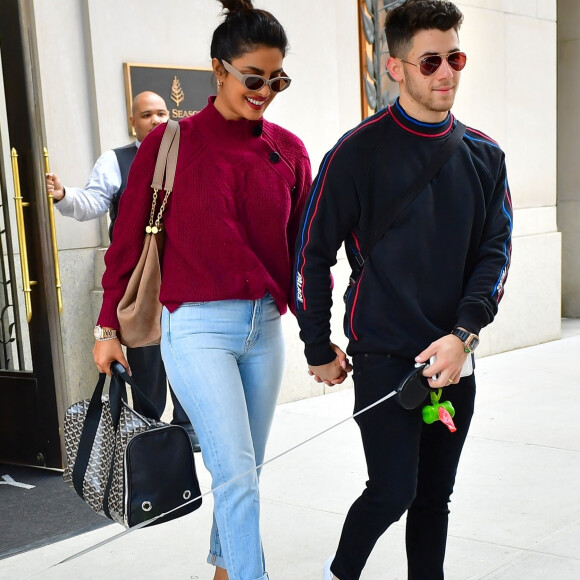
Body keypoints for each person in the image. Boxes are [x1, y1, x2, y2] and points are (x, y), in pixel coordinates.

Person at [293, 1, 513, 579]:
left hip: (452, 353)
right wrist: (318, 344)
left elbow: (496, 253)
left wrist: (462, 336)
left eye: (455, 57)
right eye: (430, 61)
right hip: (384, 355)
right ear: (397, 68)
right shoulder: (355, 152)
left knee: (434, 500)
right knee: (393, 491)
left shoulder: (485, 156)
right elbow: (311, 253)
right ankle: (339, 574)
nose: (446, 73)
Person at [93, 1, 312, 579]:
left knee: (247, 472)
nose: (265, 91)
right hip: (195, 330)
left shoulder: (288, 151)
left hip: (265, 329)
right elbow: (125, 244)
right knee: (236, 473)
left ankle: (224, 571)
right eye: (253, 78)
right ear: (218, 70)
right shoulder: (170, 144)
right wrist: (106, 327)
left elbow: (302, 251)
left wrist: (320, 333)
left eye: (277, 79)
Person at [45, 91, 199, 450]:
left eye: (162, 113)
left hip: (184, 270)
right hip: (139, 276)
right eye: (147, 115)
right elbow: (93, 202)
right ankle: (146, 427)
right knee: (145, 352)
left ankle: (189, 427)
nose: (157, 120)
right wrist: (64, 194)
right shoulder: (117, 160)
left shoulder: (189, 154)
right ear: (134, 121)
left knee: (187, 347)